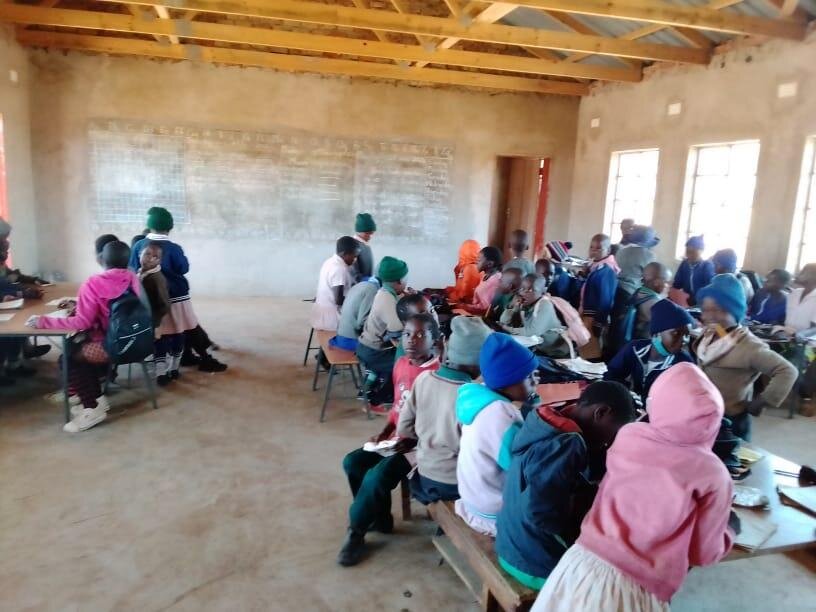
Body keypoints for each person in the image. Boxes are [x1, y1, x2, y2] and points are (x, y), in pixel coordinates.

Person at [532, 363, 737, 612]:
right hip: (634, 588)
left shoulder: (629, 435)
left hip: (581, 564)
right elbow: (703, 554)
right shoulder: (714, 474)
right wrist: (730, 530)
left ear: (655, 403)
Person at [495, 381, 636, 590]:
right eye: (615, 431)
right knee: (617, 582)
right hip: (534, 564)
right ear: (601, 413)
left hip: (510, 545)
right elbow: (541, 514)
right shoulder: (565, 446)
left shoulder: (547, 425)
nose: (611, 440)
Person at [337, 313, 440, 567]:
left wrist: (411, 440)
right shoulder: (402, 363)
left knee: (376, 476)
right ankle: (380, 518)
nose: (411, 341)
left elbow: (440, 425)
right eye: (406, 334)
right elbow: (398, 407)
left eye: (420, 335)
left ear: (435, 340)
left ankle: (356, 532)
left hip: (420, 447)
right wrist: (385, 431)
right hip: (397, 437)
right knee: (353, 462)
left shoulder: (437, 375)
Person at [28, 241, 142, 433]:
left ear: (102, 259)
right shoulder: (134, 279)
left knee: (70, 357)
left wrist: (43, 321)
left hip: (113, 346)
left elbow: (82, 323)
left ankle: (92, 407)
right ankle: (98, 399)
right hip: (138, 342)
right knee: (77, 350)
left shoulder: (93, 283)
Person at [398, 316, 492, 504]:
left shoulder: (424, 379)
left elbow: (404, 429)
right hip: (457, 483)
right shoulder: (473, 395)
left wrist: (429, 438)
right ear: (480, 361)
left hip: (424, 475)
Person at [694, 274, 797, 441]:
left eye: (719, 310)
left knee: (730, 461)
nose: (710, 316)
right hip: (705, 414)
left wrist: (762, 401)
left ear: (735, 311)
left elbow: (787, 371)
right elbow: (711, 351)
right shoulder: (712, 333)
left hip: (731, 420)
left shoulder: (749, 346)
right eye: (706, 310)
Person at [455, 333, 539, 536]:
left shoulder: (478, 399)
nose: (535, 382)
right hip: (492, 512)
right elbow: (522, 467)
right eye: (528, 377)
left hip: (472, 498)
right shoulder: (500, 416)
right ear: (506, 382)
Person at [130, 207, 226, 373]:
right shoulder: (173, 248)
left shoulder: (139, 245)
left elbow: (132, 268)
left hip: (153, 298)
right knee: (189, 326)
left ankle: (182, 357)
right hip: (177, 296)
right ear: (170, 227)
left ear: (149, 225)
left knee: (168, 330)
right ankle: (205, 359)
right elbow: (183, 268)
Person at [605, 300, 695, 402]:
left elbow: (682, 401)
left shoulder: (684, 364)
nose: (684, 340)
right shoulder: (635, 349)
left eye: (687, 334)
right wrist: (627, 396)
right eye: (676, 333)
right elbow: (612, 374)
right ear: (656, 334)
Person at [356, 256, 409, 407]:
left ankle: (368, 386)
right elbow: (397, 333)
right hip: (373, 352)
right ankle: (382, 397)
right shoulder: (387, 299)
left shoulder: (384, 292)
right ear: (399, 281)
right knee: (407, 363)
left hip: (365, 346)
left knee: (395, 354)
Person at [138, 243, 183, 386]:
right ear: (140, 254)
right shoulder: (142, 273)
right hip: (152, 316)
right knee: (161, 343)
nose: (150, 259)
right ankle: (166, 370)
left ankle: (165, 373)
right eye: (147, 254)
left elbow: (164, 303)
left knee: (163, 343)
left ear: (159, 261)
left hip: (161, 318)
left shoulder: (157, 278)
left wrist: (157, 323)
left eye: (155, 257)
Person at [500, 274, 569, 356]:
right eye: (522, 288)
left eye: (531, 290)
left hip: (556, 352)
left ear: (542, 292)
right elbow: (503, 321)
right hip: (539, 349)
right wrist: (512, 307)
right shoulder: (525, 303)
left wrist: (506, 328)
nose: (524, 293)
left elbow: (531, 332)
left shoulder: (545, 305)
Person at [580, 234, 619, 360]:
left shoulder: (606, 270)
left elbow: (606, 300)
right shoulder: (595, 265)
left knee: (591, 351)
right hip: (588, 314)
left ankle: (592, 375)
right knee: (585, 347)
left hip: (594, 317)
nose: (594, 251)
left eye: (599, 248)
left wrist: (598, 323)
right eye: (591, 247)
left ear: (608, 251)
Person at [311, 236, 359, 332]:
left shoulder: (329, 261)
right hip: (331, 319)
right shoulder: (339, 268)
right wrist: (356, 300)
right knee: (362, 324)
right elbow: (339, 300)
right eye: (354, 256)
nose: (355, 259)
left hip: (320, 314)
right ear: (345, 254)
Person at [330, 276, 381, 352]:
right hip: (351, 341)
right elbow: (361, 321)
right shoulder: (372, 289)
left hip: (340, 337)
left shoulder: (358, 285)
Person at [630, 261, 671, 341]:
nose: (668, 286)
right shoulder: (654, 303)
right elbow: (668, 326)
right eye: (666, 282)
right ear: (656, 282)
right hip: (645, 344)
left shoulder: (640, 291)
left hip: (634, 340)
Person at [673, 235, 714, 306]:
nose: (690, 255)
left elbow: (709, 289)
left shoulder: (707, 266)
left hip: (701, 303)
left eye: (693, 252)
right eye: (688, 251)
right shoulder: (684, 264)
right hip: (686, 300)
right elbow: (677, 284)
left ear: (702, 251)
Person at [461, 246, 503, 316]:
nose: (476, 262)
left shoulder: (495, 280)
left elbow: (485, 308)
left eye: (479, 260)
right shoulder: (486, 276)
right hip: (476, 313)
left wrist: (465, 307)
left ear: (489, 264)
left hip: (482, 318)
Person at [446, 239, 481, 303]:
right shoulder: (473, 266)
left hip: (467, 306)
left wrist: (450, 294)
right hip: (468, 303)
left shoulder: (469, 268)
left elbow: (463, 297)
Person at [786, 263, 816, 334]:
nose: (798, 274)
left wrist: (797, 336)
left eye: (803, 272)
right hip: (784, 335)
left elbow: (814, 329)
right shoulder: (795, 293)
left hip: (805, 341)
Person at [351, 213, 376, 283]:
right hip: (358, 287)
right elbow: (353, 274)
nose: (370, 236)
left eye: (372, 233)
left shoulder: (366, 246)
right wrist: (366, 281)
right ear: (359, 231)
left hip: (366, 285)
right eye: (367, 233)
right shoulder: (352, 246)